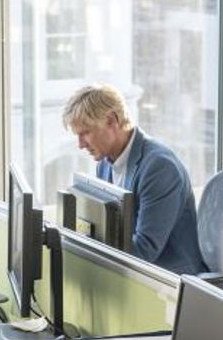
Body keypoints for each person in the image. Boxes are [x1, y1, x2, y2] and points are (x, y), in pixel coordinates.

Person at [63, 84, 208, 275]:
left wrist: (90, 245)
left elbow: (143, 251)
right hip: (134, 272)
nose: (81, 145)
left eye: (85, 133)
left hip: (170, 279)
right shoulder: (105, 162)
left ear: (111, 120)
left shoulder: (159, 168)